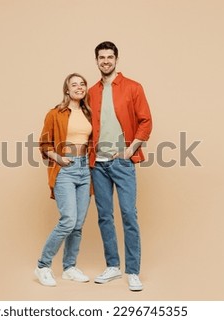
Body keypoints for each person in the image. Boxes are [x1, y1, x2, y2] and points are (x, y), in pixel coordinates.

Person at [88, 41, 153, 291]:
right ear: (96, 61)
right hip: (98, 164)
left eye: (109, 57)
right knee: (104, 216)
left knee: (128, 214)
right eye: (101, 57)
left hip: (122, 163)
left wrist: (129, 150)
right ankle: (113, 266)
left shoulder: (133, 87)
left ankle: (133, 271)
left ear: (116, 59)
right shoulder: (91, 91)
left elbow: (145, 121)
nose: (105, 61)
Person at [35, 73, 92, 287]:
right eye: (74, 84)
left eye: (82, 84)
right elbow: (44, 144)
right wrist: (60, 158)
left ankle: (69, 267)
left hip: (85, 169)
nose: (79, 87)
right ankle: (43, 265)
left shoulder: (89, 113)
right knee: (68, 220)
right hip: (65, 170)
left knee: (77, 224)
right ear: (67, 90)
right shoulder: (55, 113)